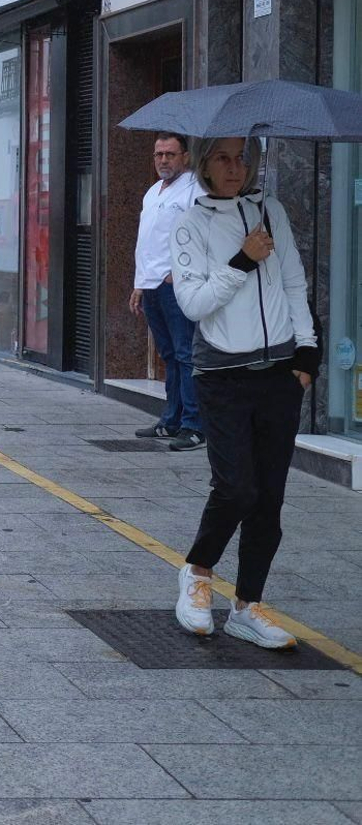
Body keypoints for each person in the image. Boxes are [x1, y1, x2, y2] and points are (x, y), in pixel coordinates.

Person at [170, 136, 317, 650]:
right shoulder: (190, 222)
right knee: (236, 488)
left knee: (269, 502)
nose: (236, 169)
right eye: (223, 159)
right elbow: (192, 303)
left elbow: (295, 282)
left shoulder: (270, 210)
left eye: (243, 159)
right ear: (204, 164)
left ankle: (247, 606)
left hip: (279, 375)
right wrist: (243, 259)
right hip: (222, 377)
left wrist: (307, 353)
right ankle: (197, 573)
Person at [130, 133, 206, 451]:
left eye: (170, 154)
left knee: (186, 355)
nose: (163, 160)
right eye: (158, 154)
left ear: (185, 157)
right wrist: (138, 284)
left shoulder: (195, 189)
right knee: (170, 356)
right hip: (150, 285)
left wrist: (181, 273)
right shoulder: (152, 192)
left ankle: (194, 425)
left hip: (175, 285)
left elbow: (206, 233)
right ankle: (171, 420)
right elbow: (146, 241)